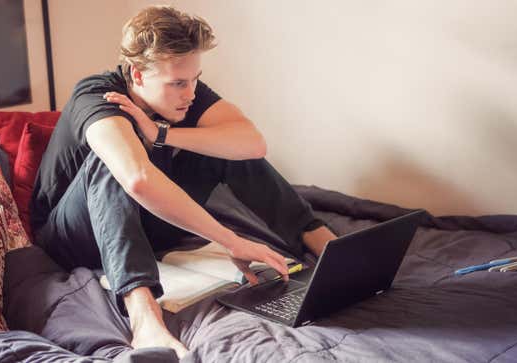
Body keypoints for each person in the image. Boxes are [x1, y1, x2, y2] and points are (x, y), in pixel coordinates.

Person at [30, 5, 336, 359]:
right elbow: (138, 179)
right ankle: (144, 315)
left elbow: (252, 143)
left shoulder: (184, 91)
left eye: (194, 79)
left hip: (144, 223)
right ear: (138, 74)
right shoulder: (98, 95)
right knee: (113, 162)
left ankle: (323, 242)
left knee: (224, 148)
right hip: (74, 237)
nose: (190, 93)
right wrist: (230, 240)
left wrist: (162, 134)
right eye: (178, 83)